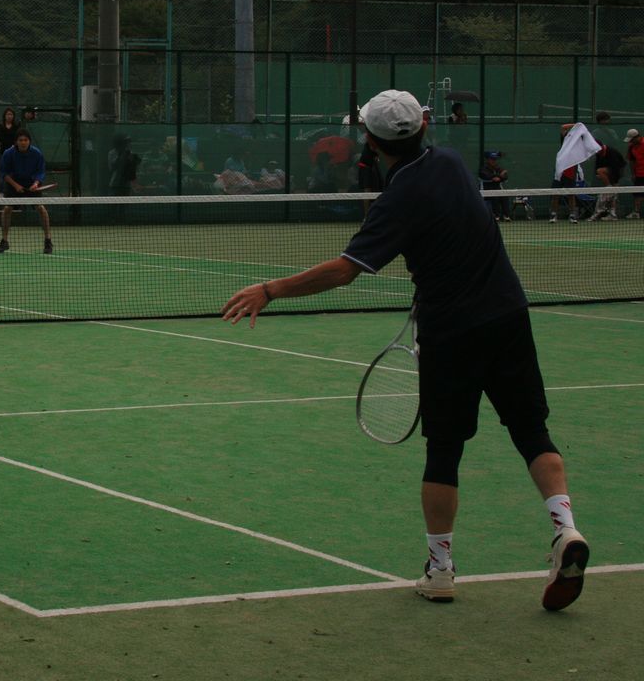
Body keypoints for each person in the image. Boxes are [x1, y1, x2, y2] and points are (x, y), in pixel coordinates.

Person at [221, 89, 589, 612]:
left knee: (444, 452)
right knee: (532, 431)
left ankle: (440, 572)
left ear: (370, 141)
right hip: (509, 316)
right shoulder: (453, 163)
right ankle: (565, 529)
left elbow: (346, 270)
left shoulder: (397, 199)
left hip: (451, 333)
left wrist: (270, 290)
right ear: (422, 126)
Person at [0, 128, 53, 254]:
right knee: (7, 209)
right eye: (20, 140)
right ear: (16, 142)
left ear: (29, 142)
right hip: (13, 184)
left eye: (26, 140)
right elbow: (4, 173)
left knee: (41, 208)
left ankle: (48, 240)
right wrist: (16, 186)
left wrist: (36, 183)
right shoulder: (8, 154)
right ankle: (4, 241)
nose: (23, 142)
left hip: (31, 184)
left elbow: (41, 171)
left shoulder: (37, 153)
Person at [588, 138, 626, 221]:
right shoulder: (598, 153)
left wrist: (614, 183)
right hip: (609, 172)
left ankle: (609, 187)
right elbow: (597, 165)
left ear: (601, 147)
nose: (595, 151)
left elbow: (617, 168)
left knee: (612, 191)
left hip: (617, 171)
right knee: (612, 194)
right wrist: (597, 174)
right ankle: (612, 214)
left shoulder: (612, 153)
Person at [478, 151, 510, 221]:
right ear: (488, 159)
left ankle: (506, 216)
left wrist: (498, 177)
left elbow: (505, 177)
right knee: (495, 197)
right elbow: (486, 176)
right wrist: (500, 175)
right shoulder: (483, 168)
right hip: (486, 191)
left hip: (498, 189)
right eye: (492, 159)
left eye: (495, 159)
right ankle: (496, 216)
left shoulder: (497, 168)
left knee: (505, 197)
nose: (494, 161)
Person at [625, 128, 644, 219]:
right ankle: (636, 212)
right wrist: (633, 174)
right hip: (639, 174)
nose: (631, 142)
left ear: (637, 137)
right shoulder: (631, 146)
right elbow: (631, 161)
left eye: (632, 140)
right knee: (637, 194)